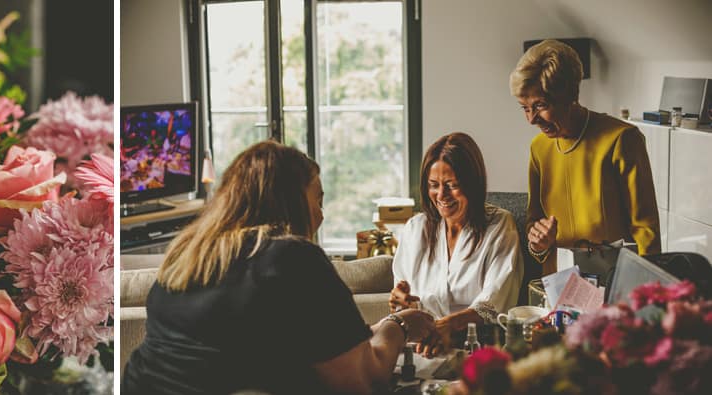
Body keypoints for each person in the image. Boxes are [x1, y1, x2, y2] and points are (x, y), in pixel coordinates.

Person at [123, 140, 437, 394]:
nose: (321, 214)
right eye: (317, 200)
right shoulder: (292, 258)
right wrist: (399, 326)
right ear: (292, 202)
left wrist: (376, 329)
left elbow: (281, 347)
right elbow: (363, 381)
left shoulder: (188, 255)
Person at [510, 39, 661, 275]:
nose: (531, 119)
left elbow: (645, 230)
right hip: (559, 283)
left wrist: (646, 288)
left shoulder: (622, 139)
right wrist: (538, 242)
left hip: (613, 281)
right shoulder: (539, 148)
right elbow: (534, 226)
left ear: (569, 96)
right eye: (525, 108)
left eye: (540, 105)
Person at [390, 132, 524, 358]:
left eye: (452, 185)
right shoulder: (415, 228)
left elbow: (493, 303)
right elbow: (404, 303)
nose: (441, 195)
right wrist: (401, 301)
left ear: (473, 184)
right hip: (421, 348)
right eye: (433, 185)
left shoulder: (499, 225)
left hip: (474, 348)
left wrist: (448, 326)